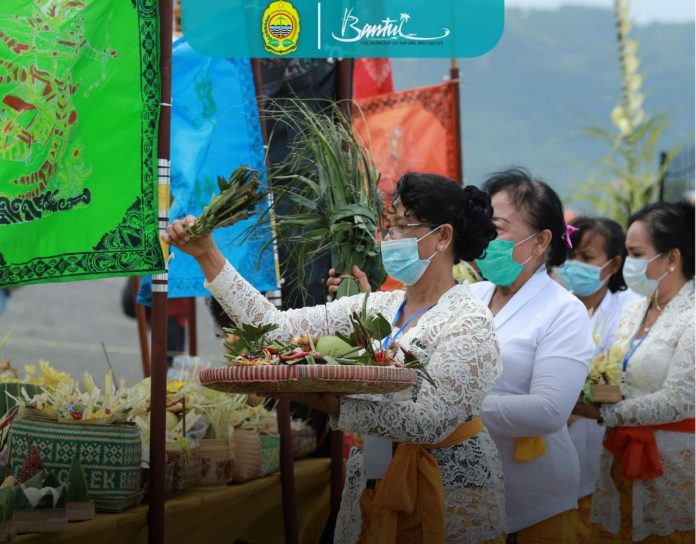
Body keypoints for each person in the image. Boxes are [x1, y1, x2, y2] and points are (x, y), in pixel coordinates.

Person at [164, 172, 507, 543]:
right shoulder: (378, 306)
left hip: (448, 490)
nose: (388, 240)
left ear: (443, 236)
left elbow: (431, 421)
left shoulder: (469, 320)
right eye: (387, 228)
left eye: (402, 227)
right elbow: (274, 327)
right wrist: (207, 254)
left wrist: (330, 404)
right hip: (372, 482)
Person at [472, 168, 595, 541]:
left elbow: (549, 410)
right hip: (465, 490)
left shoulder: (563, 310)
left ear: (541, 241)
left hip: (532, 498)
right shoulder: (470, 297)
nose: (486, 238)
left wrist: (450, 411)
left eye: (499, 228)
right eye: (484, 227)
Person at [573, 201, 695, 543]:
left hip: (672, 465)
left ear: (672, 258)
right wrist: (588, 389)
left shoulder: (691, 318)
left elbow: (680, 400)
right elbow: (617, 376)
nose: (628, 264)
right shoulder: (635, 310)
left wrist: (602, 413)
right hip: (618, 459)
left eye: (636, 253)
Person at [559, 216, 640, 541]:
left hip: (603, 448)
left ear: (614, 263)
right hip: (553, 449)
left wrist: (572, 400)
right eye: (571, 256)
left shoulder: (630, 311)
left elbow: (627, 389)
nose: (576, 265)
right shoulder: (557, 304)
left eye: (587, 258)